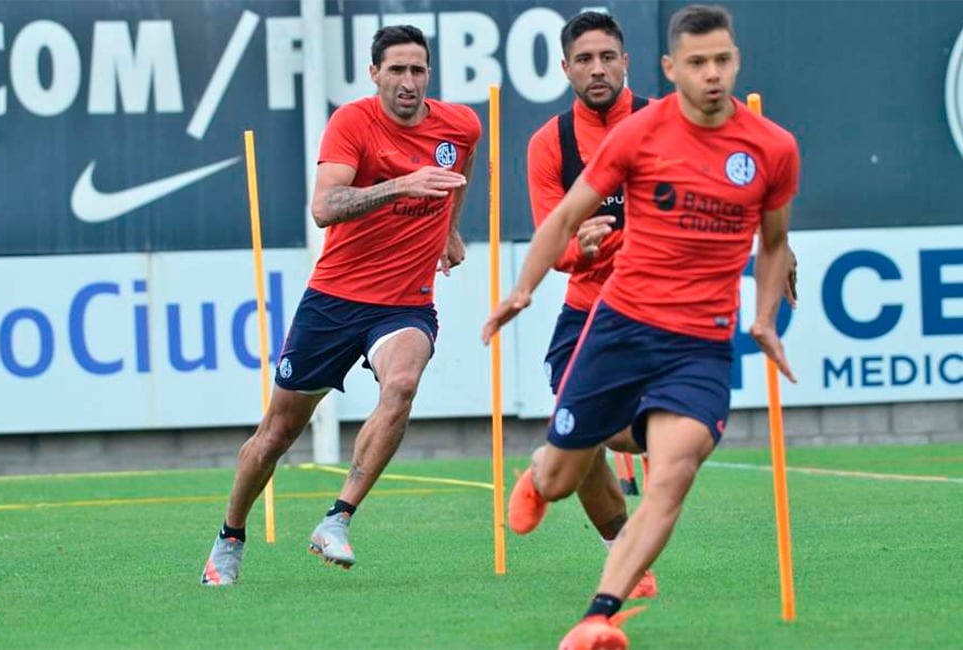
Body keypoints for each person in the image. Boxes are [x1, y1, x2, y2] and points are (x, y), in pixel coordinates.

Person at [482, 5, 800, 649]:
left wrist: (764, 317)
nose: (712, 75)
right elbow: (564, 217)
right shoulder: (629, 136)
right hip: (616, 324)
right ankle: (545, 470)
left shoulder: (771, 146)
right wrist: (523, 289)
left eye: (722, 60)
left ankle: (600, 615)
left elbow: (774, 242)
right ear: (670, 67)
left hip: (703, 342)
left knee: (673, 468)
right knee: (564, 475)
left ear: (734, 60)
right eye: (697, 63)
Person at [201, 24, 482, 585]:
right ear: (374, 73)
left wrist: (451, 229)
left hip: (404, 302)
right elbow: (325, 207)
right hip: (334, 300)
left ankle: (338, 518)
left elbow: (459, 176)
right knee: (277, 434)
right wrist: (401, 184)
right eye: (397, 70)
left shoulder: (461, 125)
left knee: (401, 386)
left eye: (418, 69)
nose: (408, 81)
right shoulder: (352, 122)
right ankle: (230, 535)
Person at [526, 10, 657, 600]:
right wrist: (577, 249)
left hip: (659, 307)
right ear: (565, 68)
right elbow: (551, 242)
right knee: (586, 440)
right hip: (586, 311)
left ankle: (554, 457)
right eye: (584, 59)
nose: (597, 68)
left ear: (626, 61)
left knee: (626, 437)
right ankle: (626, 554)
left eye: (608, 57)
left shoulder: (665, 122)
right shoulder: (549, 143)